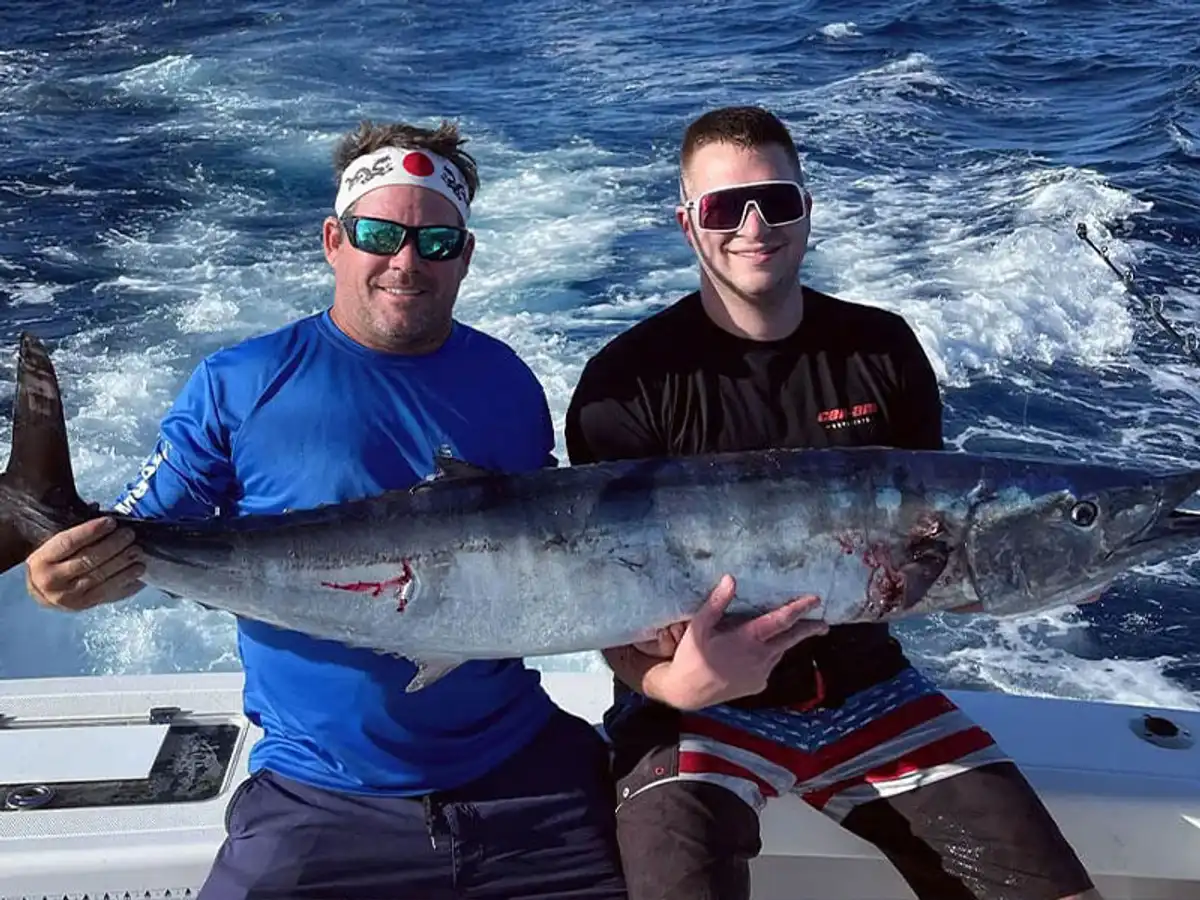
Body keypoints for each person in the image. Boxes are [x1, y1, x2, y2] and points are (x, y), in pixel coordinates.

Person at [23, 119, 630, 900]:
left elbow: (540, 550)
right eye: (379, 234)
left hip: (526, 784)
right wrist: (63, 571)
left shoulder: (507, 378)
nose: (406, 262)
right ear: (333, 241)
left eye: (436, 243)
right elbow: (128, 536)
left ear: (466, 256)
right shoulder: (241, 383)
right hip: (318, 798)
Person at [565, 105, 1101, 900]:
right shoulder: (626, 385)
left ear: (807, 208)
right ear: (688, 224)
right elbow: (595, 598)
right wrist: (671, 684)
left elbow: (938, 544)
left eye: (776, 201)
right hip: (695, 711)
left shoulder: (882, 350)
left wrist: (1059, 564)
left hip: (867, 686)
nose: (754, 227)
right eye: (723, 208)